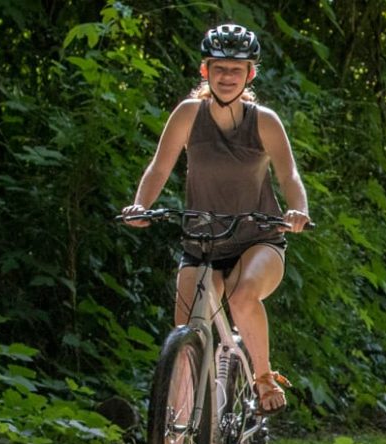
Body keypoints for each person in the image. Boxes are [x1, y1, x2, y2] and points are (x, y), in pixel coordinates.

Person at [122, 23, 310, 419]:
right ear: (204, 71)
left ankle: (262, 377)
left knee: (242, 297)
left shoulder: (264, 121)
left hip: (258, 239)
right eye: (219, 68)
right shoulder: (189, 115)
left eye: (236, 70)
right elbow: (159, 168)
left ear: (250, 75)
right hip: (201, 242)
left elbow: (289, 175)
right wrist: (141, 205)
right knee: (185, 351)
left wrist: (297, 211)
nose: (227, 77)